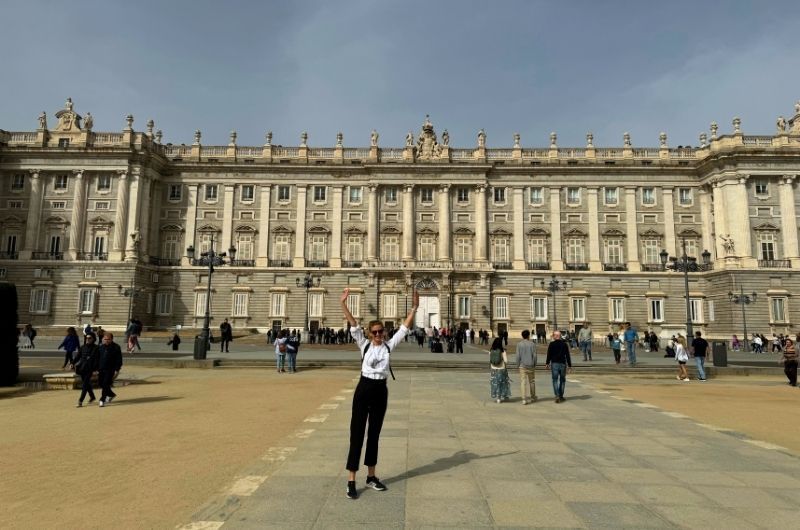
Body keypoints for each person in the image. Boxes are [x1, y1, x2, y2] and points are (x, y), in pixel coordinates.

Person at [341, 287, 418, 500]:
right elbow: (353, 323)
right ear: (369, 334)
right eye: (374, 332)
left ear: (384, 333)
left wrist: (414, 308)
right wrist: (343, 304)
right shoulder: (364, 345)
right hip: (364, 388)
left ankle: (371, 476)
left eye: (380, 332)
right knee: (356, 434)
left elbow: (404, 327)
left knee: (374, 434)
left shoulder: (388, 346)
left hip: (380, 390)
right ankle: (351, 479)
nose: (378, 335)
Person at [545, 331, 572, 403]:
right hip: (563, 363)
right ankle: (561, 396)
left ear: (555, 336)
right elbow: (567, 355)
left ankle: (557, 395)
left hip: (554, 363)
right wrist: (569, 365)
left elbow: (549, 354)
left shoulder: (551, 344)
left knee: (555, 380)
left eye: (553, 335)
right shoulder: (564, 344)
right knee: (562, 380)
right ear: (559, 336)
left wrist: (547, 363)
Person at [73, 333, 100, 407]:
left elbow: (97, 360)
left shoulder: (96, 348)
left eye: (89, 338)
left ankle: (80, 401)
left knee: (84, 385)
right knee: (87, 384)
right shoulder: (83, 347)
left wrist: (96, 369)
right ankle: (92, 397)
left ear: (93, 339)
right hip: (82, 368)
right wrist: (72, 363)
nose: (87, 339)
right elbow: (78, 356)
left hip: (90, 368)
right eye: (86, 338)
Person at [97, 333, 123, 406]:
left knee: (106, 383)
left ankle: (102, 399)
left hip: (110, 369)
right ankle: (111, 394)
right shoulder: (101, 347)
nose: (106, 341)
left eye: (108, 339)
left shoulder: (116, 347)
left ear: (111, 339)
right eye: (105, 339)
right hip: (101, 368)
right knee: (101, 383)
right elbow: (97, 358)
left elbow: (119, 359)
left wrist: (117, 369)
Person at [515, 330, 537, 404]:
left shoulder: (519, 344)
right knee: (532, 381)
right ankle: (533, 396)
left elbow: (518, 356)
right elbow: (534, 355)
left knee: (523, 382)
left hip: (522, 365)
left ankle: (524, 399)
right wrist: (534, 364)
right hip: (531, 364)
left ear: (522, 336)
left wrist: (518, 365)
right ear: (528, 335)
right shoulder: (532, 344)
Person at [489, 337, 511, 403]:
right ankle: (502, 396)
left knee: (495, 382)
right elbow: (506, 361)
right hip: (501, 368)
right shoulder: (502, 351)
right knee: (502, 382)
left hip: (493, 368)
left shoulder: (491, 350)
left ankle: (497, 396)